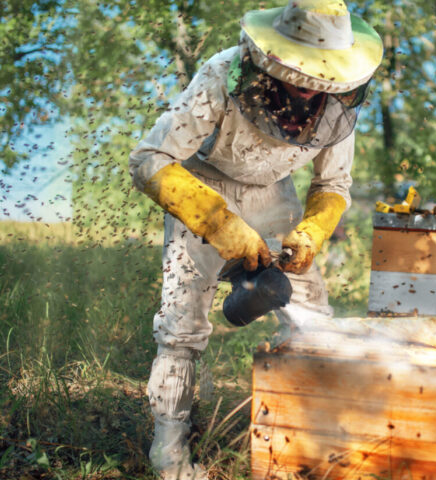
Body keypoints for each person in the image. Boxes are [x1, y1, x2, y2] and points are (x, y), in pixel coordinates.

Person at [128, 1, 383, 478]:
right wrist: (219, 223)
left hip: (275, 196)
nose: (312, 89)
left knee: (312, 319)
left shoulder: (340, 100)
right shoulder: (221, 73)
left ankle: (312, 442)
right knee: (182, 328)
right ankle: (169, 455)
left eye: (323, 79)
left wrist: (312, 231)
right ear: (273, 57)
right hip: (202, 186)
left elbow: (333, 186)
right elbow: (149, 159)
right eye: (303, 74)